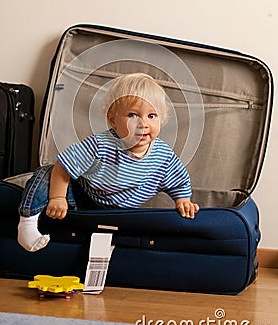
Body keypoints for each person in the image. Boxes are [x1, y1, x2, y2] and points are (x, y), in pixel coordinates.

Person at [17, 73, 199, 252]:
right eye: (133, 115)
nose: (143, 123)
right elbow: (64, 166)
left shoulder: (163, 156)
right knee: (47, 172)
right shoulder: (99, 145)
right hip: (82, 200)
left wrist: (183, 200)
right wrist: (58, 198)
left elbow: (179, 181)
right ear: (113, 120)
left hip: (122, 214)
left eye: (152, 116)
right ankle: (28, 222)